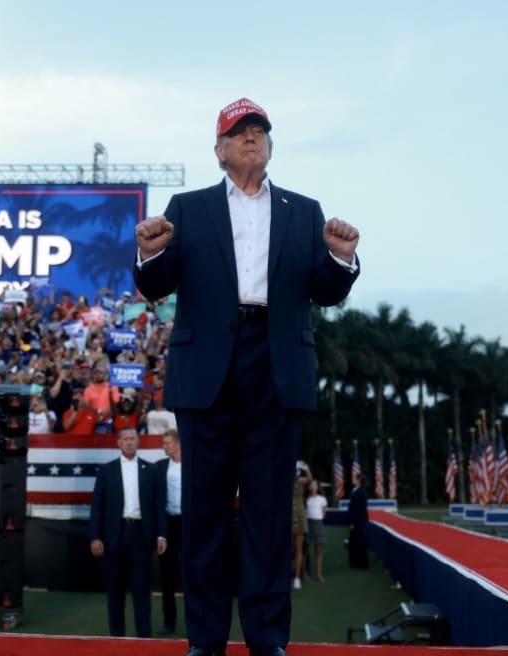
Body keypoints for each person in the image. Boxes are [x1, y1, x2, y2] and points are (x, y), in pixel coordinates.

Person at [133, 97, 360, 656]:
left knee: (267, 514)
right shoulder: (187, 208)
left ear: (270, 145)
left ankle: (267, 640)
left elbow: (325, 292)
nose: (251, 138)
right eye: (239, 132)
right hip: (209, 367)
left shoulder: (304, 212)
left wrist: (340, 258)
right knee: (206, 512)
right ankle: (205, 641)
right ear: (219, 150)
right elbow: (156, 286)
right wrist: (148, 252)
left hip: (277, 366)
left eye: (259, 130)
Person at [89, 427, 167, 638]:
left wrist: (162, 535)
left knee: (142, 589)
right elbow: (97, 506)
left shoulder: (151, 470)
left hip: (141, 534)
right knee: (115, 589)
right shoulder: (106, 471)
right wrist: (95, 536)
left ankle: (144, 636)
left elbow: (159, 506)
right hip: (115, 535)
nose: (129, 442)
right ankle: (117, 636)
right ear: (118, 442)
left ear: (138, 442)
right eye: (125, 439)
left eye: (133, 439)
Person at [156, 428, 183, 635]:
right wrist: (161, 533)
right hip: (169, 526)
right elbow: (157, 504)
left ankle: (196, 622)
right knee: (167, 578)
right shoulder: (160, 467)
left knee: (194, 577)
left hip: (190, 526)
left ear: (178, 443)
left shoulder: (194, 466)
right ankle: (169, 621)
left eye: (167, 443)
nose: (164, 446)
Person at [291, 461, 311, 590]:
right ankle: (287, 575)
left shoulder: (299, 481)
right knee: (288, 549)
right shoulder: (283, 480)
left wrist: (306, 468)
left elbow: (309, 479)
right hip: (286, 514)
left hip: (299, 513)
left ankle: (297, 577)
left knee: (299, 547)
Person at [304, 480, 328, 582]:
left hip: (318, 524)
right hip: (308, 524)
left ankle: (319, 574)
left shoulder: (322, 499)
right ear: (309, 487)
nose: (313, 487)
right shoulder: (305, 499)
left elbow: (324, 513)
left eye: (315, 485)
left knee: (318, 550)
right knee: (305, 550)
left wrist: (319, 518)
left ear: (317, 487)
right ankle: (304, 573)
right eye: (311, 485)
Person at [347, 470, 370, 569]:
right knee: (355, 541)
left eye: (355, 478)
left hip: (359, 522)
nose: (353, 479)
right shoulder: (357, 490)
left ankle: (361, 562)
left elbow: (357, 509)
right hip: (359, 521)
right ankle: (356, 561)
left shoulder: (361, 491)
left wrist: (353, 522)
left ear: (359, 480)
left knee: (359, 541)